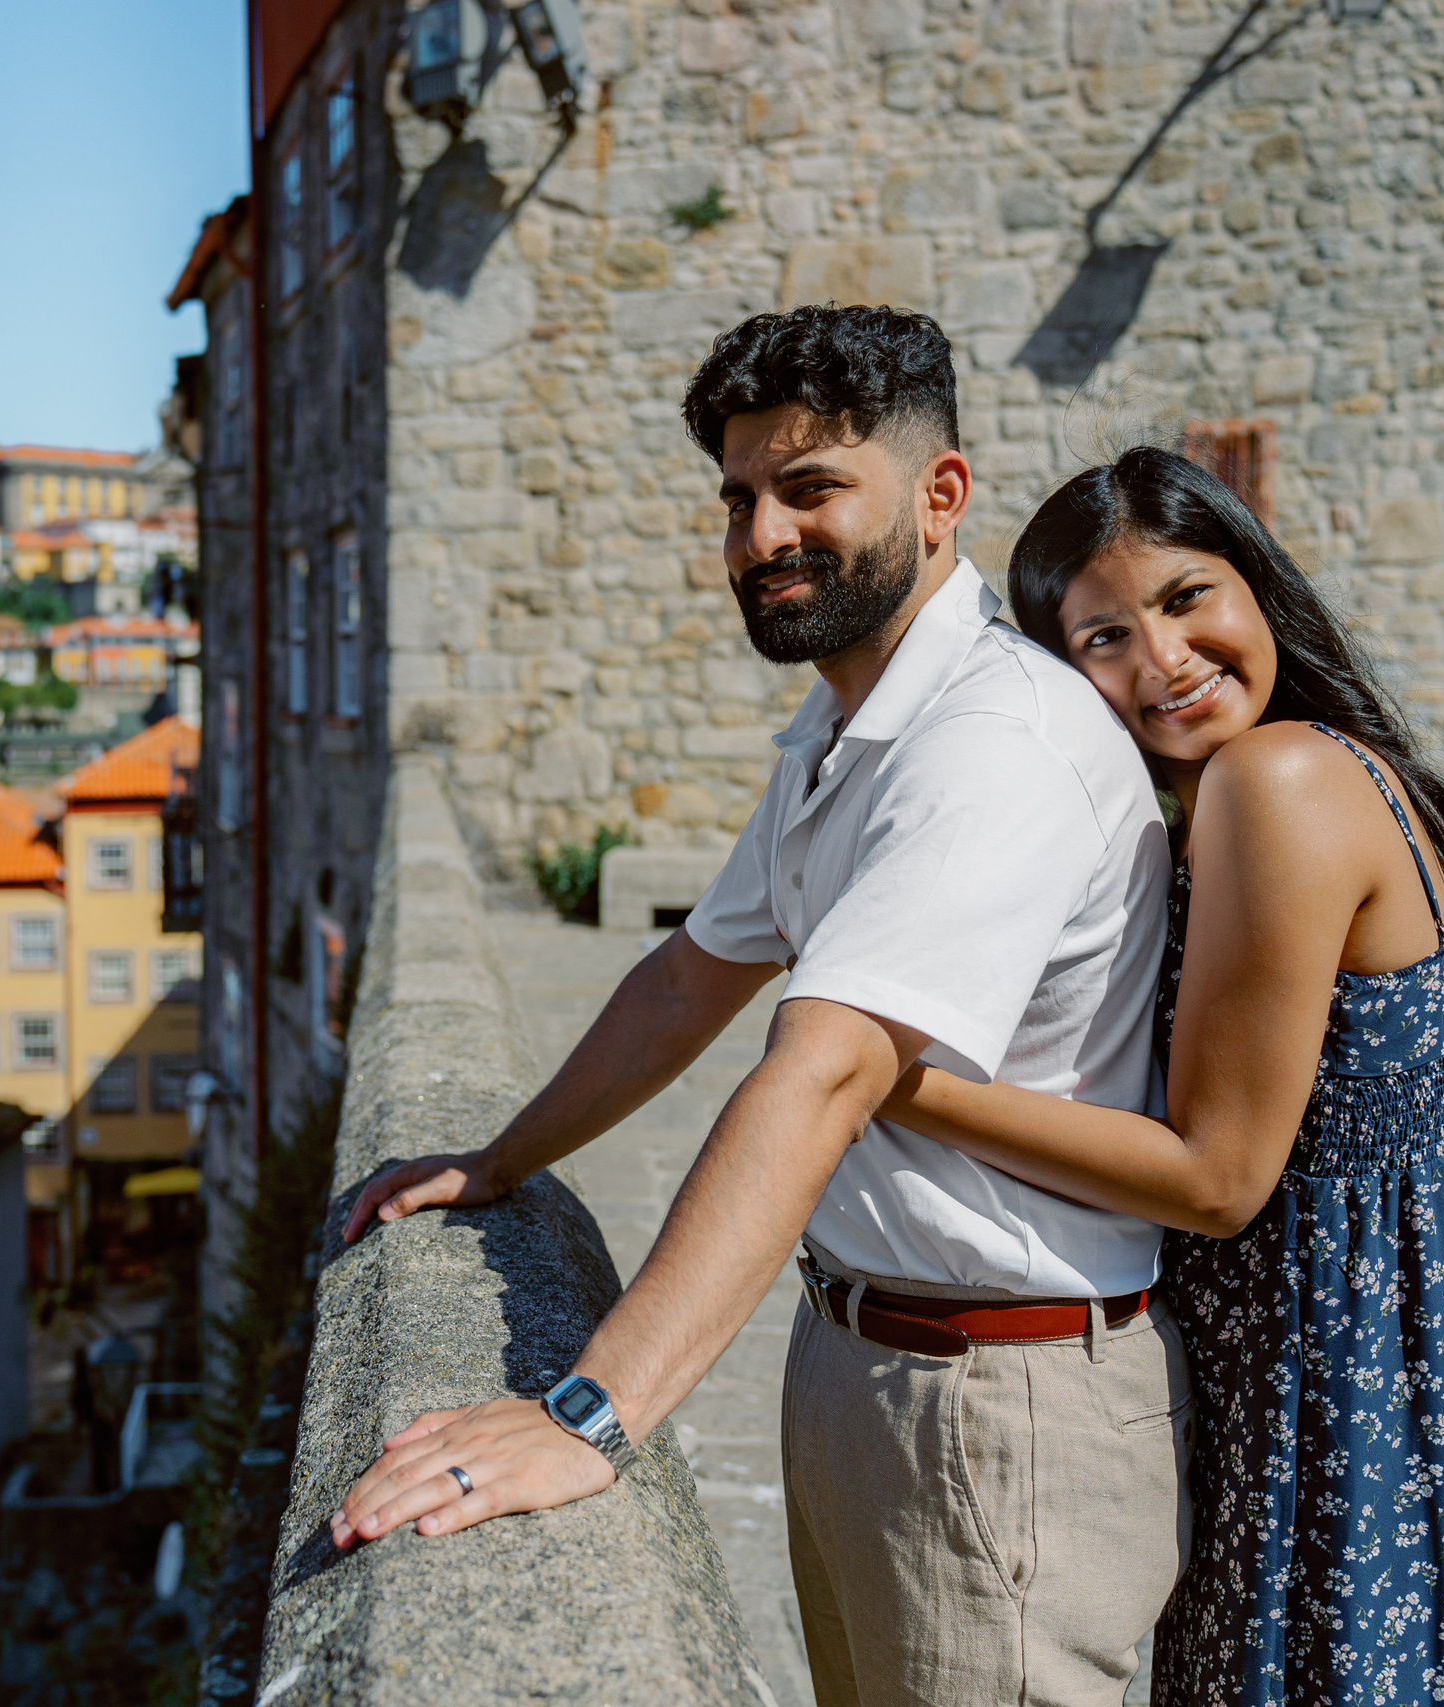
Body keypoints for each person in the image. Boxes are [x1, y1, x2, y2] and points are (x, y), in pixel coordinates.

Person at [335, 305, 1186, 1705]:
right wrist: (500, 1159)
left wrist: (591, 1412)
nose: (761, 534)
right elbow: (687, 978)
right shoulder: (840, 729)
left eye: (809, 489)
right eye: (739, 496)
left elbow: (819, 1073)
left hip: (1001, 1395)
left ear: (940, 494)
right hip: (862, 1358)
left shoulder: (993, 742)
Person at [871, 445, 1444, 1704]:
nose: (1164, 660)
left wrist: (884, 1076)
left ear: (1257, 587)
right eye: (1103, 638)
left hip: (1331, 1390)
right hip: (1399, 1362)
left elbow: (1216, 1180)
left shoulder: (1274, 779)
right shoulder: (1325, 765)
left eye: (1187, 598)